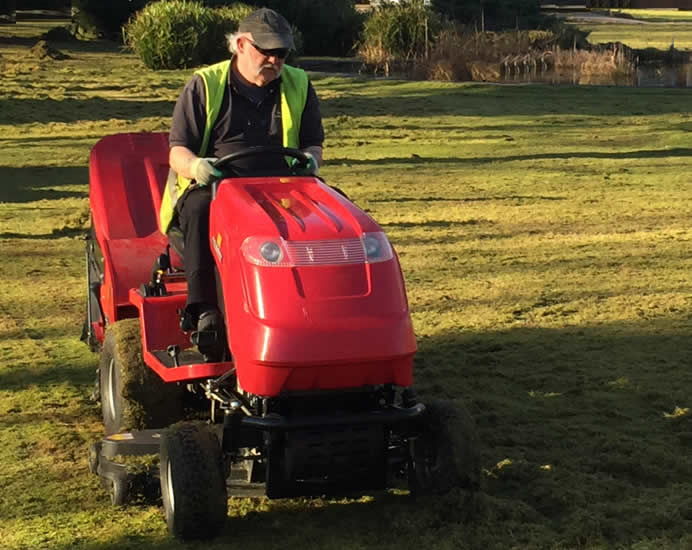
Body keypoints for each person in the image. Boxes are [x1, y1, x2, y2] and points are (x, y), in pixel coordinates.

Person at [160, 8, 325, 358]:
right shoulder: (205, 85)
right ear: (239, 44)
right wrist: (196, 167)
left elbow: (313, 143)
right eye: (265, 51)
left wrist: (311, 161)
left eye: (280, 53)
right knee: (200, 207)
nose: (273, 60)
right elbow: (177, 151)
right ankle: (204, 311)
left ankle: (323, 309)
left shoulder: (299, 84)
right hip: (217, 185)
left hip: (282, 188)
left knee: (333, 212)